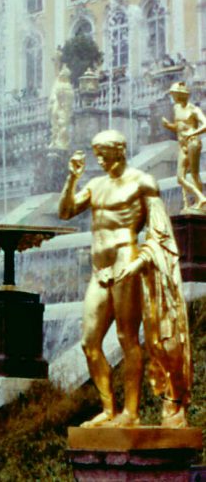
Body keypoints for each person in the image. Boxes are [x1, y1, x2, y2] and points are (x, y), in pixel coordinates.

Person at [59, 130, 191, 428]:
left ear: (119, 150)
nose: (99, 159)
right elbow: (65, 212)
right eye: (96, 154)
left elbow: (160, 231)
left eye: (103, 153)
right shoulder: (95, 185)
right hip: (99, 269)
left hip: (125, 263)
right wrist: (72, 178)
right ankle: (108, 409)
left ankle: (130, 412)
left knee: (126, 338)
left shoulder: (142, 182)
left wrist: (139, 262)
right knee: (89, 342)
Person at [161, 81, 206, 212]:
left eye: (174, 94)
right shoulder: (176, 108)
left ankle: (200, 203)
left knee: (194, 174)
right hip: (182, 145)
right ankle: (201, 198)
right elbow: (179, 127)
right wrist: (168, 126)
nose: (173, 97)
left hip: (193, 143)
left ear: (181, 95)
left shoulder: (194, 110)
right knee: (180, 178)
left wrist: (192, 133)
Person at [48, 65, 74, 150]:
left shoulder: (67, 86)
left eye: (64, 75)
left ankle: (62, 142)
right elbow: (53, 97)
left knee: (63, 125)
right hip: (58, 107)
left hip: (64, 108)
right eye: (62, 75)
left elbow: (69, 99)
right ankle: (55, 141)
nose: (62, 77)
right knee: (56, 125)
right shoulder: (58, 84)